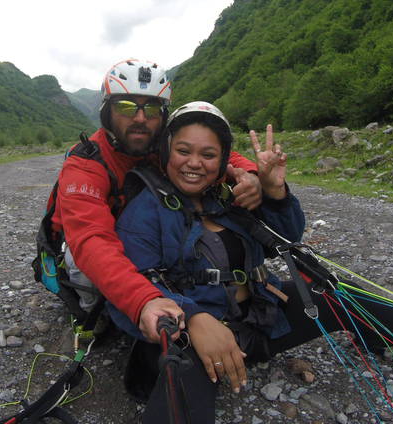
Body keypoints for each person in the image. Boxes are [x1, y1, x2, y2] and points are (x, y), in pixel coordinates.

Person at [107, 101, 393, 423]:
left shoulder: (228, 196)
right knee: (178, 403)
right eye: (183, 151)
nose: (195, 163)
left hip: (260, 318)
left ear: (223, 159)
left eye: (208, 154)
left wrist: (274, 192)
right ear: (166, 152)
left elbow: (287, 238)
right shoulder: (143, 211)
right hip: (193, 340)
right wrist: (192, 318)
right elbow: (129, 291)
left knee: (339, 294)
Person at [49, 59, 262, 343]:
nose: (140, 118)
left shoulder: (157, 146)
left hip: (138, 234)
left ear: (163, 116)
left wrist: (251, 173)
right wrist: (142, 299)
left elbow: (210, 154)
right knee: (86, 265)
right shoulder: (86, 165)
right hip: (89, 244)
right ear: (106, 113)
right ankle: (92, 313)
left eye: (151, 108)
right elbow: (91, 240)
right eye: (126, 107)